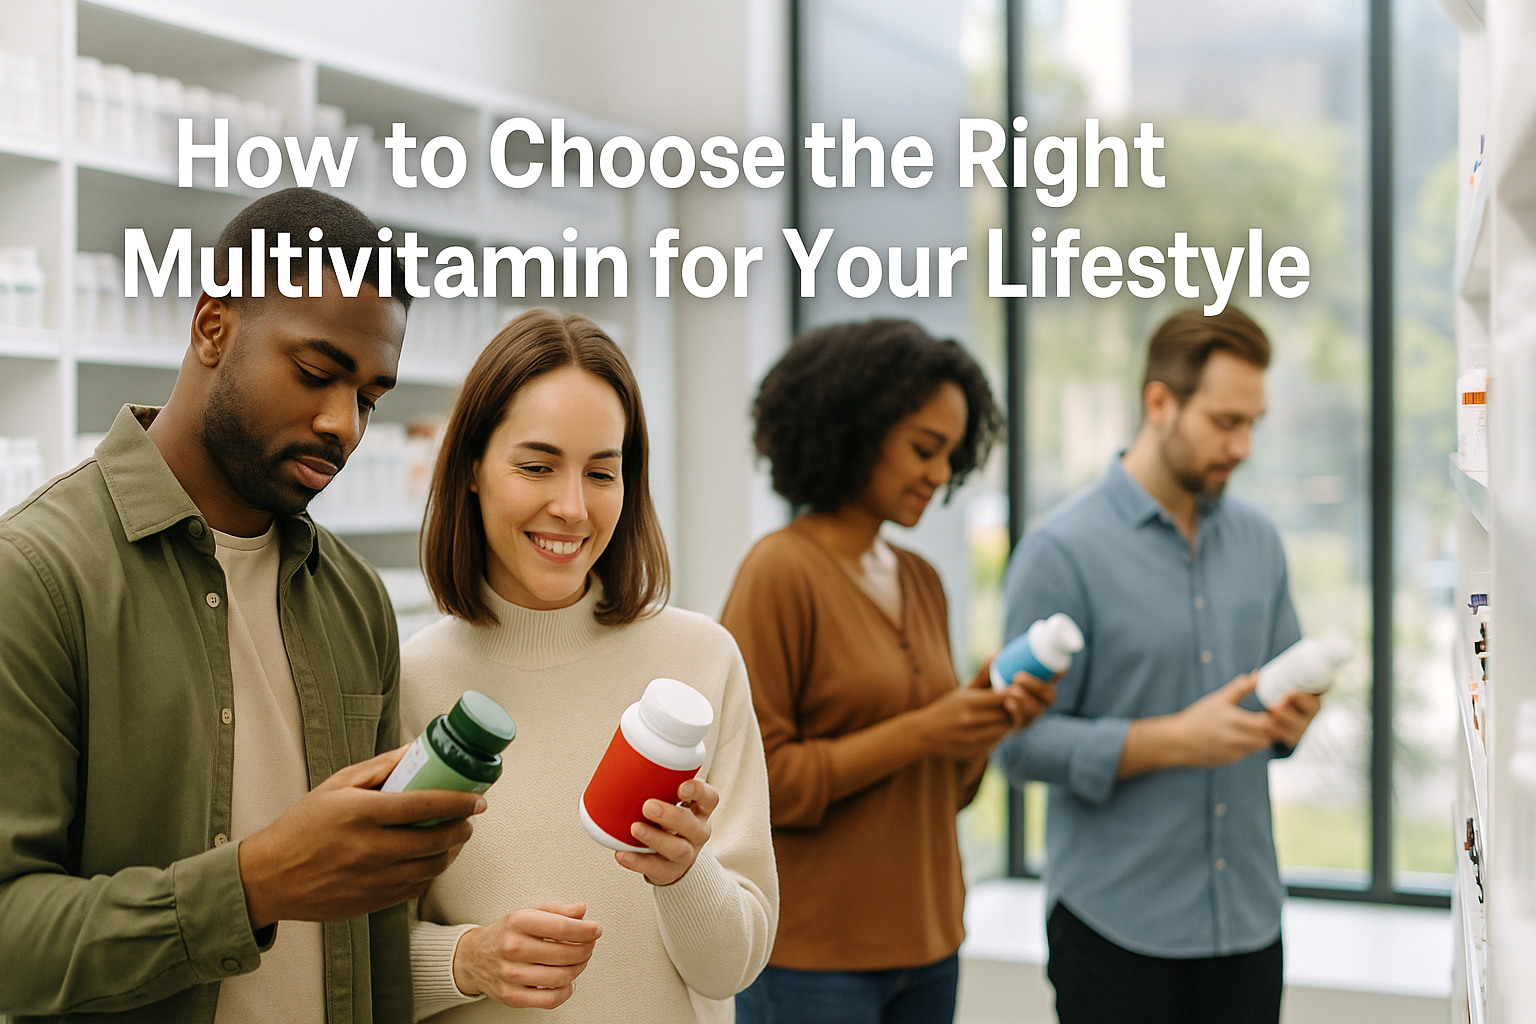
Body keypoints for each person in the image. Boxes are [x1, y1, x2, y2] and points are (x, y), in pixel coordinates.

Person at [0, 188, 487, 1024]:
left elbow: (378, 930)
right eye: (315, 373)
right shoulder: (38, 576)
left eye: (369, 398)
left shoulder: (355, 600)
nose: (342, 425)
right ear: (213, 327)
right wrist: (256, 883)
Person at [401, 309, 777, 1023]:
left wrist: (684, 873)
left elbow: (732, 968)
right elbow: (349, 964)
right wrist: (466, 960)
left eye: (602, 472)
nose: (572, 508)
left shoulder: (700, 664)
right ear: (472, 468)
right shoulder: (413, 682)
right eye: (537, 466)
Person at [993, 308, 1324, 1024]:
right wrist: (1171, 740)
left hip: (1247, 925)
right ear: (1159, 402)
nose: (1242, 447)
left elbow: (1275, 712)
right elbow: (1015, 745)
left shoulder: (1260, 541)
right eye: (1225, 422)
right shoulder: (1060, 552)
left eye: (1253, 424)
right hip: (1114, 931)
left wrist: (1290, 720)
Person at [722, 319, 1055, 1024]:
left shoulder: (921, 580)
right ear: (855, 432)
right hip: (813, 959)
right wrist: (925, 730)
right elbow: (759, 785)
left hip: (930, 945)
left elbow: (943, 791)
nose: (940, 474)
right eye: (924, 449)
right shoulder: (779, 572)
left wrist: (982, 722)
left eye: (951, 456)